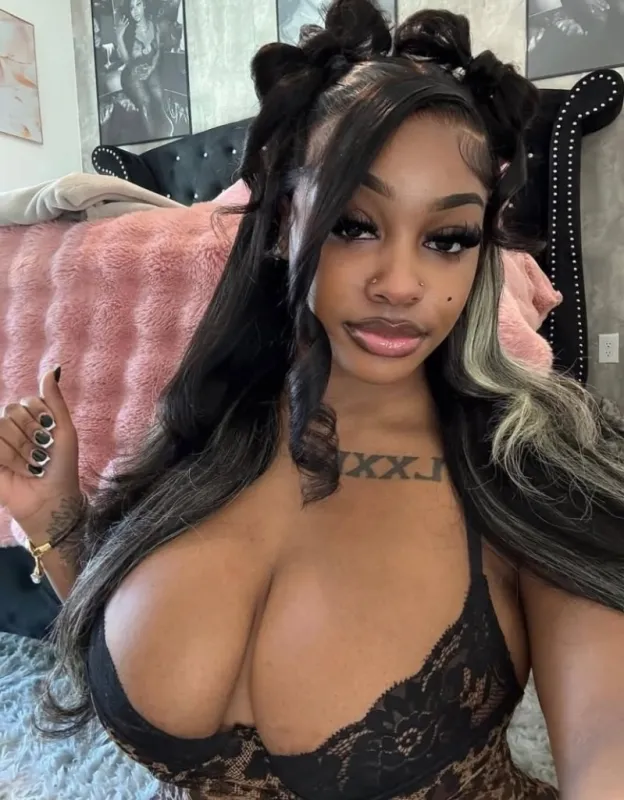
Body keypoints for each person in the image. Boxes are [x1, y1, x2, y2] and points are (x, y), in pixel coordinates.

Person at [2, 1, 624, 797]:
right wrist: (52, 518)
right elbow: (116, 641)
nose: (400, 283)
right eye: (354, 224)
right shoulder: (211, 429)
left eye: (448, 239)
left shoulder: (531, 464)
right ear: (279, 224)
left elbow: (605, 733)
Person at [114, 0, 173, 140]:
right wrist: (119, 37)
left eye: (138, 4)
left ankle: (166, 127)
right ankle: (152, 139)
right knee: (145, 101)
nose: (135, 10)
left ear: (145, 5)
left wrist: (151, 68)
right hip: (131, 72)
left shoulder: (154, 25)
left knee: (158, 94)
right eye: (131, 7)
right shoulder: (128, 30)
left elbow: (157, 52)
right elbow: (127, 61)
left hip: (150, 68)